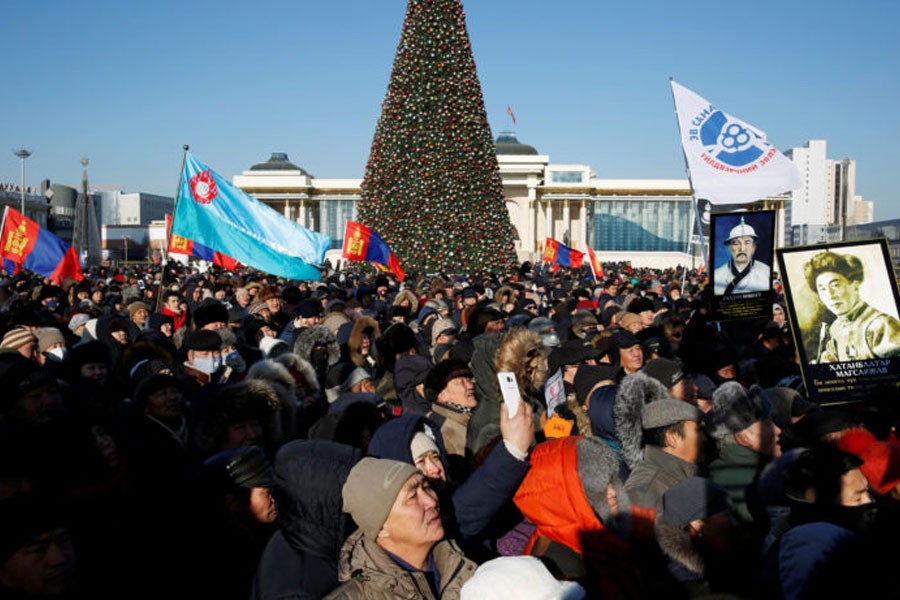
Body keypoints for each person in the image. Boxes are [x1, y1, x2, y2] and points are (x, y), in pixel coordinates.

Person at [325, 457, 477, 599]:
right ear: (381, 528)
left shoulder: (464, 565)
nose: (431, 502)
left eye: (426, 487)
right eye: (412, 497)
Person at [803, 249, 900, 363]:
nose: (830, 295)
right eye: (822, 289)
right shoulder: (836, 328)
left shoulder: (881, 324)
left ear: (855, 286)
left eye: (835, 285)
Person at [713, 217, 771, 295]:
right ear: (730, 248)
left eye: (747, 243)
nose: (742, 249)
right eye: (736, 243)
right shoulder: (716, 276)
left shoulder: (766, 273)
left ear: (754, 247)